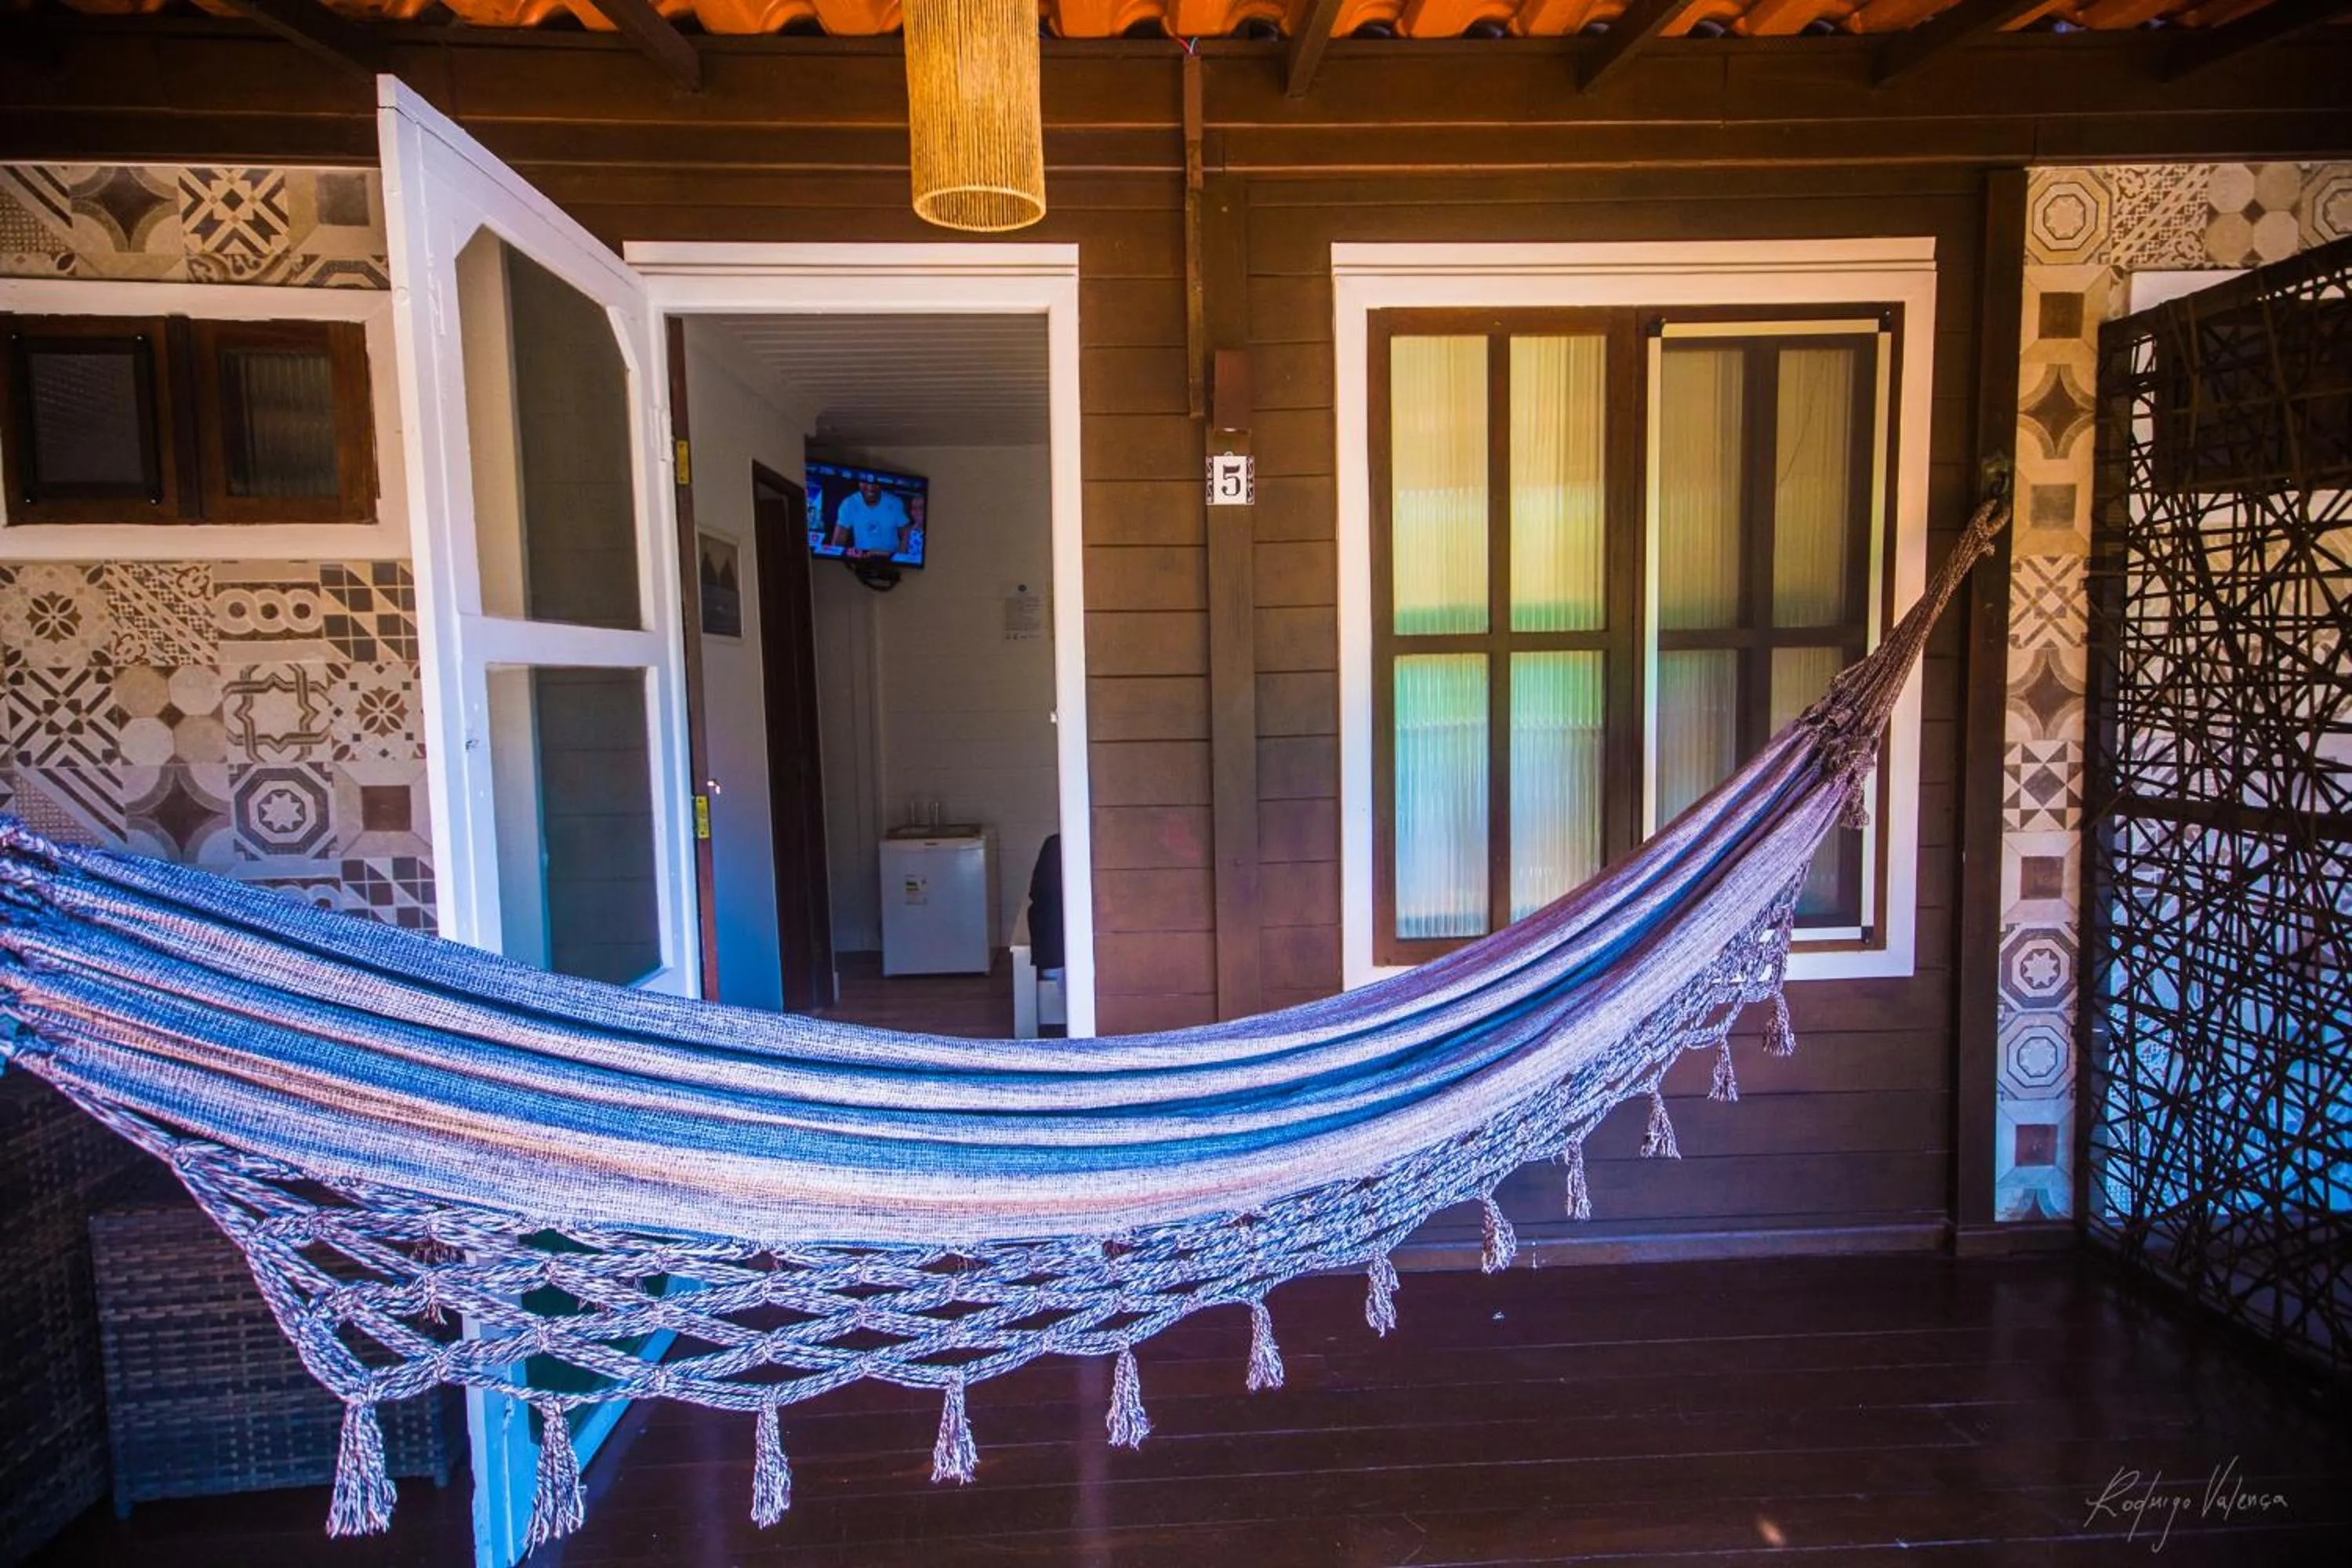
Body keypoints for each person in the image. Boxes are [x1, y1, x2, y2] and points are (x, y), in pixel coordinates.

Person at [828, 477, 909, 558]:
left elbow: (906, 536)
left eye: (874, 482)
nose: (871, 486)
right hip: (860, 559)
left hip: (889, 560)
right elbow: (838, 542)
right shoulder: (848, 504)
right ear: (859, 482)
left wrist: (898, 558)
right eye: (866, 481)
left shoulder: (895, 503)